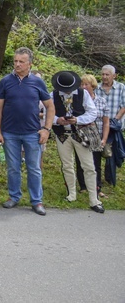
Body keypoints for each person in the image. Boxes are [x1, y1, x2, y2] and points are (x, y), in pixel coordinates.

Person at [0, 47, 55, 216]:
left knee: (34, 168)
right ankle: (14, 196)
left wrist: (46, 129)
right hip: (10, 132)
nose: (17, 64)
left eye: (21, 62)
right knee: (13, 167)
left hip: (32, 133)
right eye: (15, 61)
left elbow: (50, 107)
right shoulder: (5, 81)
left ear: (29, 64)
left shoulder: (37, 82)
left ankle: (37, 201)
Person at [49, 71, 105, 213]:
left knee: (89, 166)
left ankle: (94, 199)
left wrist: (78, 120)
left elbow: (92, 112)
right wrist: (57, 120)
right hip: (62, 134)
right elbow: (47, 113)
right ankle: (71, 194)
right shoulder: (53, 95)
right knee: (67, 165)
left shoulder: (82, 94)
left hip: (80, 134)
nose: (67, 92)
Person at [77, 74, 110, 198]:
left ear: (93, 86)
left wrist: (104, 138)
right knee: (80, 162)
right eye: (82, 84)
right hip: (82, 135)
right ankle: (83, 187)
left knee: (96, 163)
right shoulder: (78, 100)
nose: (84, 87)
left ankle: (97, 187)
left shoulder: (101, 101)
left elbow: (106, 122)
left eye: (86, 84)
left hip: (97, 135)